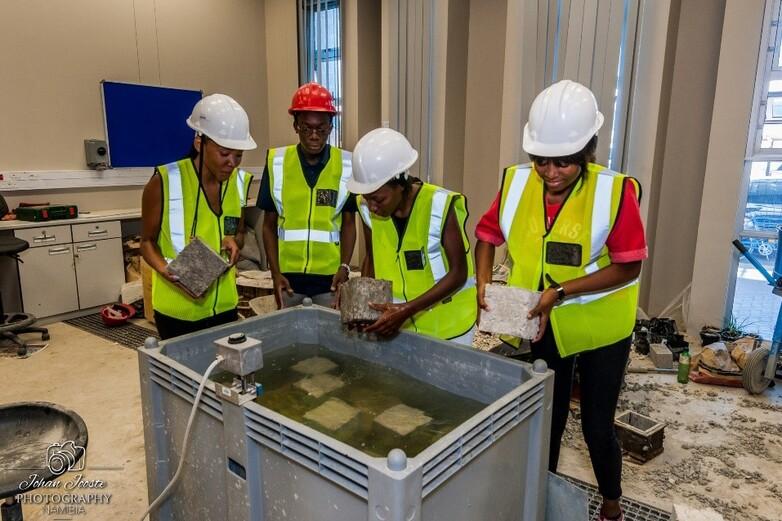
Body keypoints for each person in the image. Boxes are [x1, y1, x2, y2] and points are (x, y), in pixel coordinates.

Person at [474, 80, 647, 521]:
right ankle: (541, 500)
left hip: (601, 329)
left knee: (596, 426)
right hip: (544, 323)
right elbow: (487, 235)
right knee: (546, 419)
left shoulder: (614, 191)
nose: (551, 172)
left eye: (564, 162)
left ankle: (611, 505)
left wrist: (561, 291)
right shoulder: (517, 182)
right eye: (541, 161)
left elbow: (629, 266)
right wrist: (482, 284)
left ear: (588, 151)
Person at [141, 93, 256, 340]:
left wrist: (234, 241)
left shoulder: (238, 183)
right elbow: (146, 242)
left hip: (224, 307)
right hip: (178, 312)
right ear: (199, 143)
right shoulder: (165, 181)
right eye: (224, 153)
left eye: (238, 155)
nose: (232, 162)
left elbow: (238, 231)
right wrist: (167, 272)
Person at [347, 128, 477, 345]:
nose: (372, 206)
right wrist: (364, 307)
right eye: (367, 198)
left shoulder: (438, 205)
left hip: (449, 328)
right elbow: (371, 257)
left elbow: (458, 273)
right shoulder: (367, 207)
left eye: (378, 199)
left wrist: (407, 309)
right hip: (400, 325)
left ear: (400, 183)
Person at [258, 82, 357, 308]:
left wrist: (344, 267)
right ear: (296, 126)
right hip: (288, 279)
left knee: (329, 330)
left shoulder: (346, 165)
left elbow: (349, 223)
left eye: (321, 129)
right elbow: (268, 225)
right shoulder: (276, 163)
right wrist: (275, 273)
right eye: (306, 128)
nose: (314, 136)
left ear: (330, 127)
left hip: (330, 280)